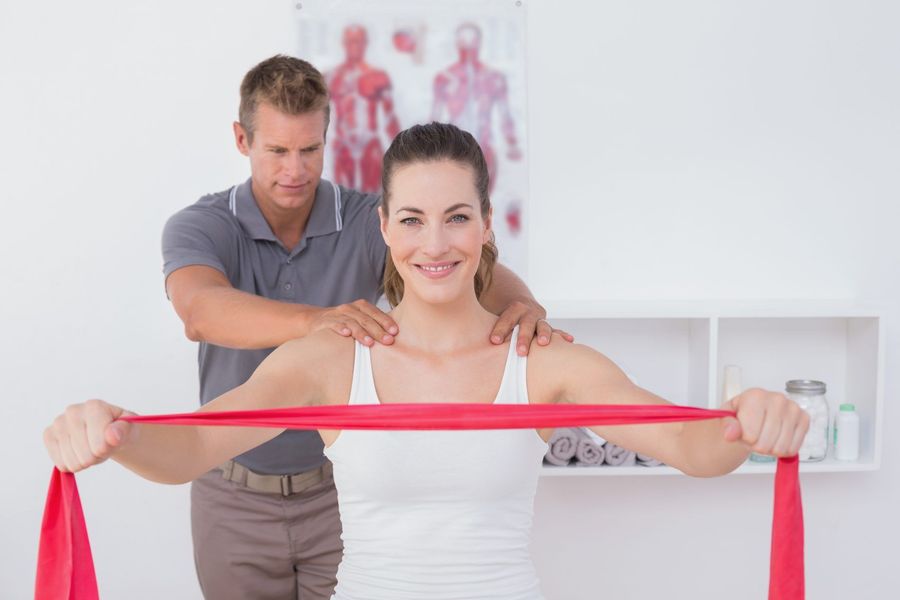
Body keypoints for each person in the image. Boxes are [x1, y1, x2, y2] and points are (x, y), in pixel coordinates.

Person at [46, 122, 809, 600]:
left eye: (456, 218)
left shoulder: (539, 362)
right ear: (383, 228)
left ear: (484, 226)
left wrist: (751, 421)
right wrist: (116, 431)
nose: (435, 244)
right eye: (412, 219)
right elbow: (196, 444)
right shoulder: (330, 359)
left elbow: (689, 443)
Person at [161, 55, 566, 599]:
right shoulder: (202, 224)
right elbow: (200, 311)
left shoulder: (366, 218)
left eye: (310, 149)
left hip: (337, 488)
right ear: (242, 139)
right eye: (277, 150)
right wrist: (318, 320)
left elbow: (449, 254)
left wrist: (526, 307)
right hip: (234, 491)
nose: (294, 169)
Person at [326, 25, 401, 193]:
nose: (355, 46)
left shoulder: (378, 77)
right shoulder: (331, 77)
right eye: (351, 42)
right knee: (343, 197)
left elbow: (390, 117)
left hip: (369, 144)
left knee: (373, 197)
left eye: (359, 42)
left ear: (365, 44)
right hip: (342, 145)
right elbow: (316, 116)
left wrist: (405, 153)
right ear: (343, 44)